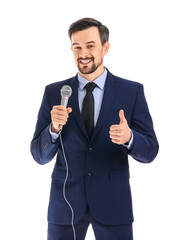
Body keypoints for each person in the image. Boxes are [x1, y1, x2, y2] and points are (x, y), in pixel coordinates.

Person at [31, 17, 159, 240]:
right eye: (77, 47)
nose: (83, 53)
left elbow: (150, 151)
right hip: (65, 206)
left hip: (113, 205)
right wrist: (53, 129)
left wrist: (130, 138)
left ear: (105, 47)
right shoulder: (54, 92)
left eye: (90, 45)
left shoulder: (132, 91)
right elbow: (38, 156)